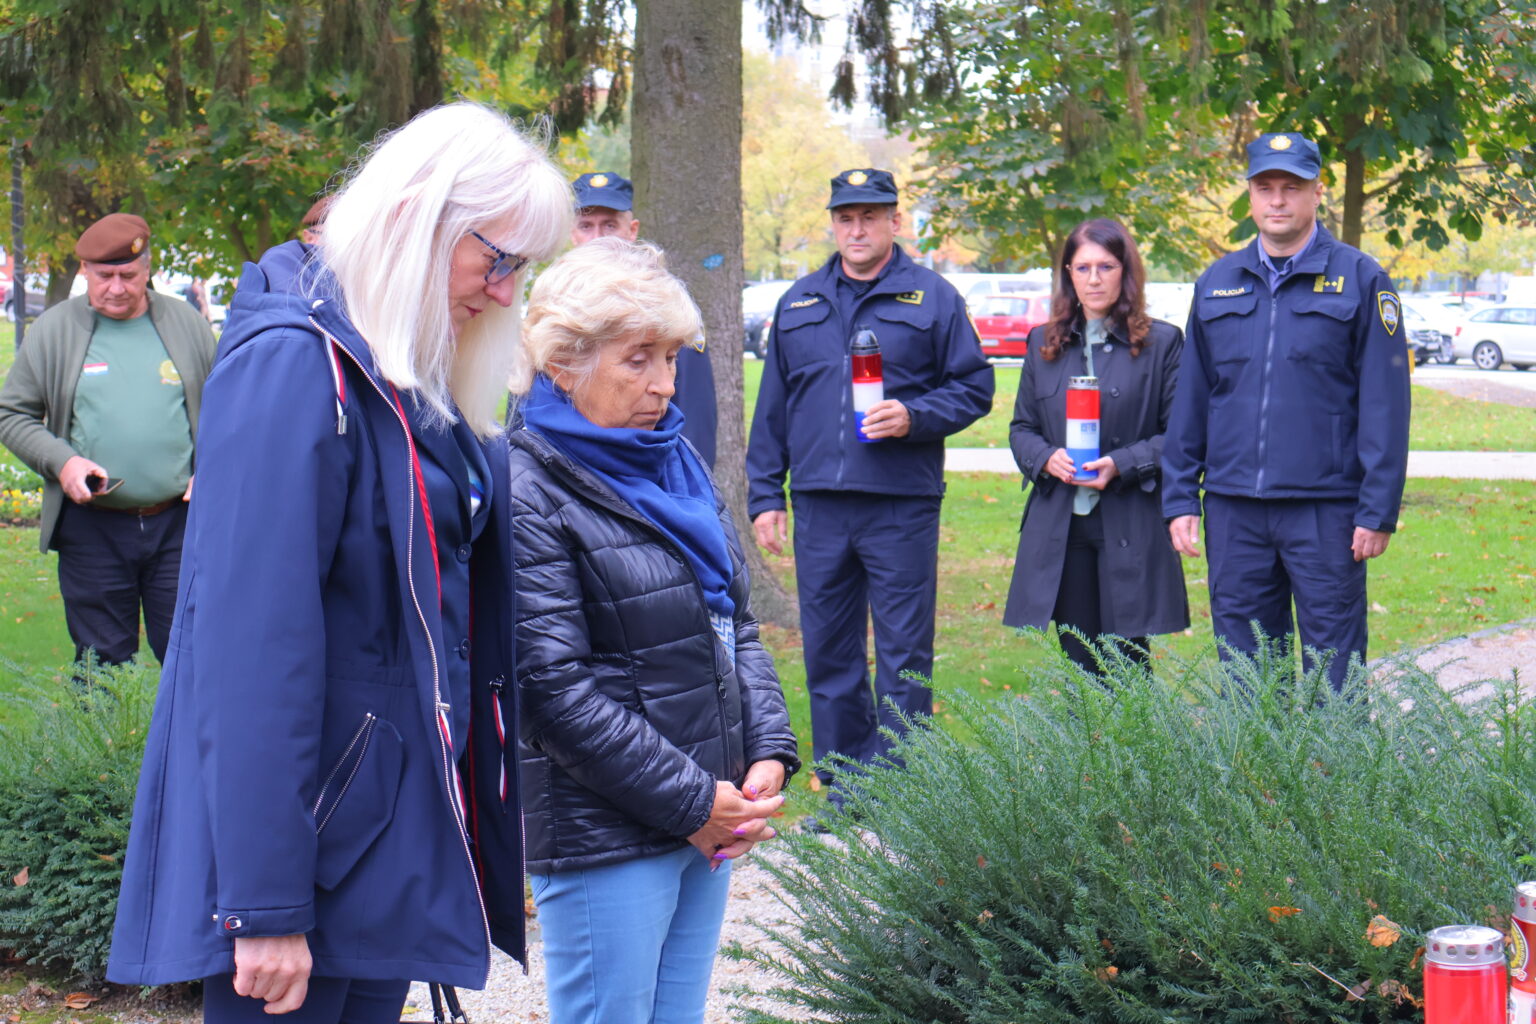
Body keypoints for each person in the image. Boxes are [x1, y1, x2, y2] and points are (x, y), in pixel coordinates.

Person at [105, 102, 573, 1023]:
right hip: (310, 858)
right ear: (416, 217)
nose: (506, 293)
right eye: (498, 260)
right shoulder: (295, 366)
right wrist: (266, 904)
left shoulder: (402, 372)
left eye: (523, 268)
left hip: (376, 844)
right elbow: (252, 653)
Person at [508, 237, 798, 1024]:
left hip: (707, 813)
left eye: (670, 357)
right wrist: (695, 801)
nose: (666, 384)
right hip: (607, 830)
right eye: (638, 360)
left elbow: (733, 621)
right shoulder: (526, 487)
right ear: (563, 363)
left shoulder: (675, 462)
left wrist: (767, 751)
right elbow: (549, 690)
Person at [746, 168, 993, 813]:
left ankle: (904, 795)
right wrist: (765, 495)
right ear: (834, 224)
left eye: (870, 216)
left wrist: (915, 416)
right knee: (830, 652)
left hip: (899, 504)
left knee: (904, 652)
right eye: (845, 217)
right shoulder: (800, 302)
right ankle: (847, 793)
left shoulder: (933, 297)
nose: (857, 229)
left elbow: (975, 388)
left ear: (893, 222)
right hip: (820, 506)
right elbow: (773, 408)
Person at [1162, 132, 1411, 692]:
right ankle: (1259, 757)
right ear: (1250, 196)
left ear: (1318, 192)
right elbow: (1193, 398)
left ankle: (1333, 757)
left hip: (1326, 512)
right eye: (1265, 187)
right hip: (1233, 510)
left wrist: (1377, 509)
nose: (1277, 200)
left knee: (1335, 674)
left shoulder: (1362, 279)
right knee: (1247, 676)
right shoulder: (1217, 283)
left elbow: (1386, 404)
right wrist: (1179, 496)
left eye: (1292, 187)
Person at [0, 212, 216, 666]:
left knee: (193, 657)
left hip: (180, 526)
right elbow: (12, 414)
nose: (117, 288)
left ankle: (186, 720)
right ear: (84, 271)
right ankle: (106, 718)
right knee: (101, 668)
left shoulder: (188, 325)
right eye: (104, 276)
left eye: (128, 275)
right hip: (92, 529)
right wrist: (63, 462)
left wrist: (214, 467)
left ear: (148, 268)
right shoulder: (54, 330)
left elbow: (229, 413)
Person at [1002, 218, 1189, 674]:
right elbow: (1021, 428)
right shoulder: (1042, 342)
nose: (1094, 279)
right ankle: (1082, 727)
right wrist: (1046, 458)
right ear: (1068, 273)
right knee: (1080, 668)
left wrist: (1122, 463)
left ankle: (1133, 727)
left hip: (1129, 521)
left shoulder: (1162, 342)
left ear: (1126, 271)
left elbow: (1181, 436)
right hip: (1063, 528)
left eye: (1106, 267)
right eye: (1082, 268)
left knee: (1128, 667)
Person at [569, 171, 718, 466]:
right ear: (572, 234)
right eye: (586, 226)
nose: (597, 239)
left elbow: (695, 424)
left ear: (632, 230)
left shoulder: (666, 309)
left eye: (610, 225)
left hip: (642, 477)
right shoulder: (554, 309)